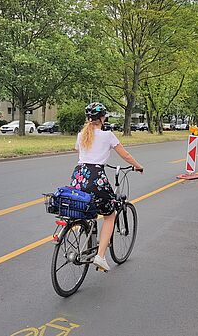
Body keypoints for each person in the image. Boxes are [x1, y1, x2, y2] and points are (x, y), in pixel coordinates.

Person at [70, 102, 144, 272]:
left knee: (89, 208)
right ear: (102, 118)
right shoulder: (108, 135)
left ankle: (89, 232)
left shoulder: (82, 134)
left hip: (78, 176)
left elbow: (80, 153)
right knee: (110, 215)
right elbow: (125, 154)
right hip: (96, 177)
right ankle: (100, 256)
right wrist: (138, 166)